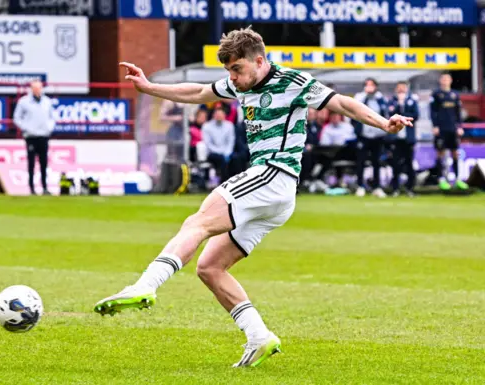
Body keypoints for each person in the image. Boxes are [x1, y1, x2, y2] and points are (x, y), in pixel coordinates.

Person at [93, 27, 411, 368]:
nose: (233, 77)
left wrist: (382, 122)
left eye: (237, 69)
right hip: (277, 196)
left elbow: (342, 102)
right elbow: (199, 92)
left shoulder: (294, 81)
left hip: (274, 174)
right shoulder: (239, 82)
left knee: (197, 222)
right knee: (210, 267)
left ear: (259, 60)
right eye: (229, 70)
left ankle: (144, 286)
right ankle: (259, 336)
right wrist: (149, 87)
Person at [13, 80, 54, 195]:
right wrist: (26, 128)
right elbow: (17, 118)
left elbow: (52, 117)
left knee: (44, 162)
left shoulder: (47, 102)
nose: (37, 90)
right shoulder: (24, 102)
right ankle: (31, 187)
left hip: (44, 135)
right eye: (35, 88)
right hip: (31, 136)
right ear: (31, 89)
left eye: (39, 88)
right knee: (31, 162)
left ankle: (45, 187)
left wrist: (49, 128)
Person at [430, 72, 469, 190]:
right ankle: (441, 179)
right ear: (440, 81)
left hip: (453, 128)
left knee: (455, 153)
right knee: (440, 153)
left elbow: (458, 112)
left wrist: (460, 126)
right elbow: (432, 111)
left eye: (447, 79)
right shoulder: (436, 94)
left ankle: (457, 179)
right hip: (441, 128)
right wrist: (435, 125)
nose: (445, 81)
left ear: (450, 80)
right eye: (443, 79)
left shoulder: (455, 95)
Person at [352, 78, 390, 198]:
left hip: (377, 135)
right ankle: (360, 186)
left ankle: (376, 187)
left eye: (372, 85)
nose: (369, 87)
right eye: (367, 85)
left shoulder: (380, 98)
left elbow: (385, 114)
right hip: (363, 135)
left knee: (376, 162)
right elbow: (354, 113)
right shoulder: (359, 97)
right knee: (361, 161)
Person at [387, 81, 419, 197]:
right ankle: (395, 188)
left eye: (403, 88)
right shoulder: (392, 101)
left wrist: (403, 110)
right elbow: (389, 114)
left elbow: (415, 115)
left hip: (408, 138)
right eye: (399, 87)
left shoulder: (411, 100)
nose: (401, 90)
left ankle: (410, 188)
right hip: (396, 138)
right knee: (395, 164)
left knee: (409, 164)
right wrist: (399, 104)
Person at [315, 111, 356, 188]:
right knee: (325, 156)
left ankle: (353, 180)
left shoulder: (348, 127)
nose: (335, 119)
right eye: (333, 117)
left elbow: (352, 139)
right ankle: (318, 179)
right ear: (330, 118)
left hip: (347, 152)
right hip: (332, 153)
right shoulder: (327, 128)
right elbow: (324, 143)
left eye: (336, 116)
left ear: (340, 117)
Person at [202, 104, 236, 183]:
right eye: (217, 114)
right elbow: (208, 144)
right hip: (212, 153)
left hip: (226, 153)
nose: (219, 116)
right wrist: (221, 153)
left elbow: (231, 142)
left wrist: (227, 153)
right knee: (221, 159)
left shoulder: (229, 126)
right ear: (214, 115)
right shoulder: (206, 126)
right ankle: (224, 182)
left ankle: (236, 182)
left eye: (221, 114)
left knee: (237, 158)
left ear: (224, 115)